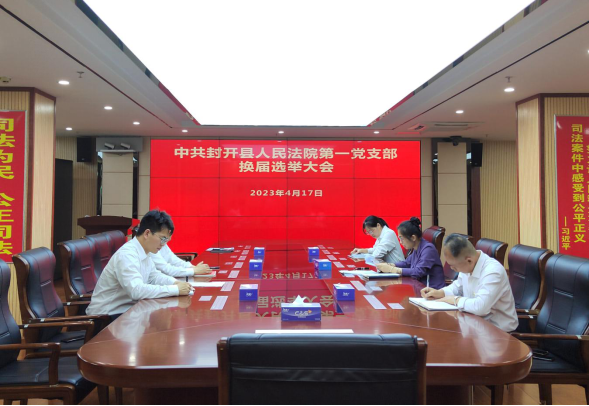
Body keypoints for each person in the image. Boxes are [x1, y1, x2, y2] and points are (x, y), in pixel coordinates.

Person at [87, 209, 193, 319]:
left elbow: (154, 276)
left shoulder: (145, 251)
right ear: (147, 233)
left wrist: (175, 282)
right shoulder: (127, 255)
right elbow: (136, 291)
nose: (163, 244)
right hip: (105, 318)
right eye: (163, 239)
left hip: (127, 312)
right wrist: (175, 289)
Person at [420, 233, 518, 332]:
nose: (452, 268)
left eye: (454, 266)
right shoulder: (468, 265)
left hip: (497, 332)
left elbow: (481, 307)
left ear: (469, 260)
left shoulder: (493, 272)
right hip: (473, 324)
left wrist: (455, 300)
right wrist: (440, 292)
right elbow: (457, 287)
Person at [375, 217, 445, 289]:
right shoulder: (417, 247)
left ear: (413, 237)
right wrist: (390, 265)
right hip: (419, 288)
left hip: (432, 290)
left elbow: (418, 272)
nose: (400, 242)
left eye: (401, 238)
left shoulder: (428, 249)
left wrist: (392, 269)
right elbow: (407, 263)